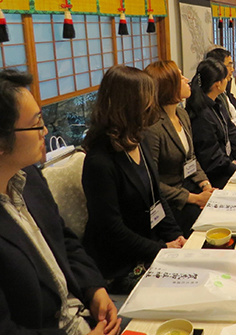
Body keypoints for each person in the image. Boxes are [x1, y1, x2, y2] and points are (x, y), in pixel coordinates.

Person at [0, 69, 120, 335]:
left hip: (85, 317)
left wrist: (94, 288)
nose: (44, 131)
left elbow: (64, 240)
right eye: (35, 124)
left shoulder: (29, 177)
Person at [82, 65, 186, 294]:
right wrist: (161, 248)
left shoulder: (138, 139)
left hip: (150, 243)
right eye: (148, 99)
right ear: (129, 105)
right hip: (120, 262)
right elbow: (112, 230)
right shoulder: (100, 161)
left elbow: (157, 199)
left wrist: (175, 235)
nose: (154, 105)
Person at [144, 60, 214, 238]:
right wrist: (195, 198)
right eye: (180, 77)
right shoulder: (152, 127)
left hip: (191, 186)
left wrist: (205, 185)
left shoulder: (181, 114)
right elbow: (152, 182)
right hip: (171, 201)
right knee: (207, 227)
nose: (187, 79)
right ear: (168, 87)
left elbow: (191, 158)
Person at [187, 58, 236, 188]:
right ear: (218, 84)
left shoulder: (217, 102)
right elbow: (212, 158)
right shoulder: (201, 115)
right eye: (225, 78)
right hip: (216, 174)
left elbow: (233, 132)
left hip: (229, 162)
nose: (228, 80)